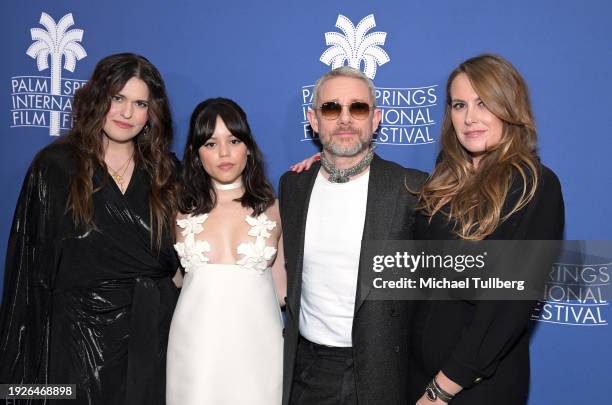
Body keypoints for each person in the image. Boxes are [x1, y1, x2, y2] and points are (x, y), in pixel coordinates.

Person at [0, 53, 180, 404]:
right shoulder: (55, 167)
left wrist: (319, 167)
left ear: (152, 113)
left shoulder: (167, 172)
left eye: (140, 103)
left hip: (152, 340)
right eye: (118, 98)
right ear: (98, 98)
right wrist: (20, 378)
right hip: (75, 345)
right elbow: (28, 270)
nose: (127, 113)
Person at [410, 54, 564, 405]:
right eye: (459, 104)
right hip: (418, 376)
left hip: (472, 387)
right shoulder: (444, 176)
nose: (469, 118)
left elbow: (507, 307)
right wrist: (333, 167)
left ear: (508, 106)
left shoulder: (533, 185)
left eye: (483, 103)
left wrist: (442, 390)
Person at [279, 66, 427, 405]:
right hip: (308, 368)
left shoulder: (413, 188)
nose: (344, 119)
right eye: (331, 108)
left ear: (375, 119)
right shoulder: (293, 185)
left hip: (382, 369)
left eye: (357, 108)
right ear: (313, 120)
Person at [166, 98, 286, 405]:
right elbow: (170, 280)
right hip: (194, 348)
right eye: (210, 143)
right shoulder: (176, 211)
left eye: (233, 140)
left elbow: (285, 290)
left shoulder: (276, 209)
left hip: (259, 347)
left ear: (248, 146)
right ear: (195, 154)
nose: (224, 153)